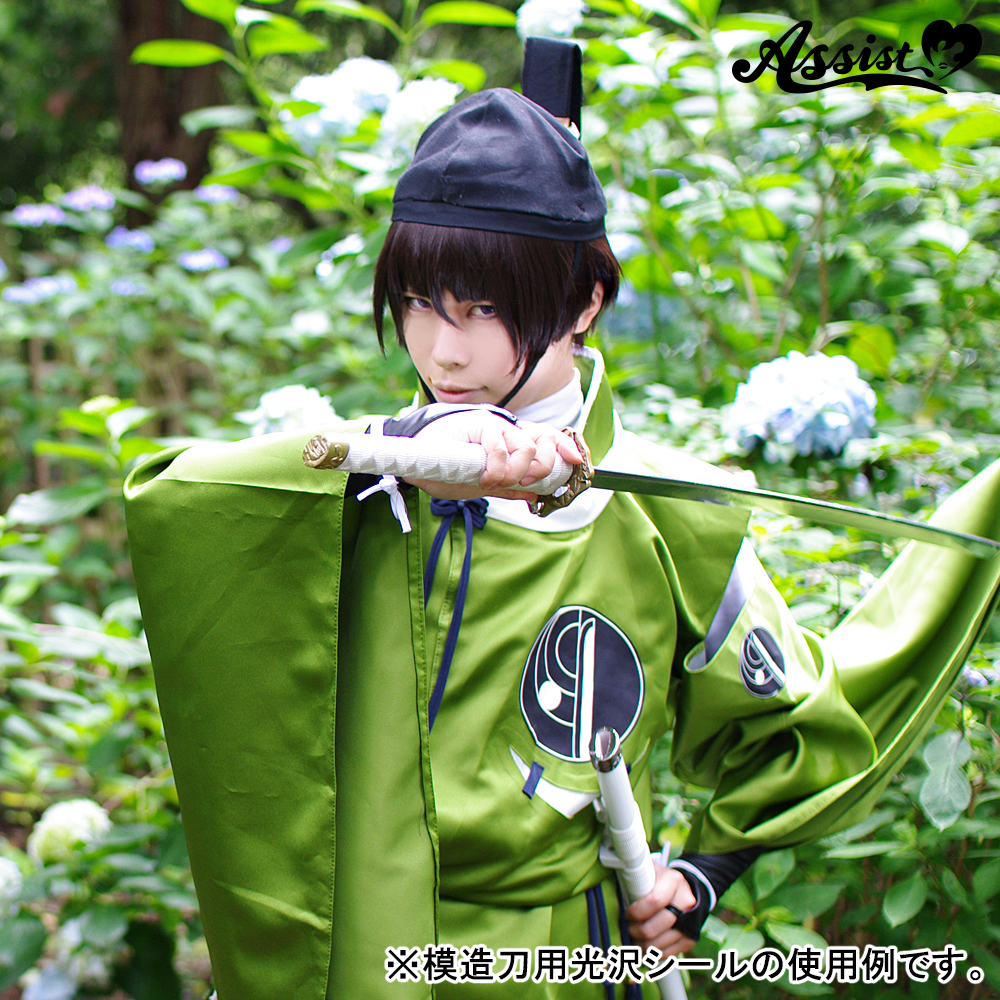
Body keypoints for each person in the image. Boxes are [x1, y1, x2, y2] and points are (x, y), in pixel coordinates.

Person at [124, 40, 1000, 1000]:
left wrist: (705, 874)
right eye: (417, 302)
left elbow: (796, 723)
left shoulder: (663, 511)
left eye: (482, 308)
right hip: (362, 935)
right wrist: (407, 446)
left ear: (585, 301)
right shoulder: (363, 482)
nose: (442, 349)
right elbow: (181, 499)